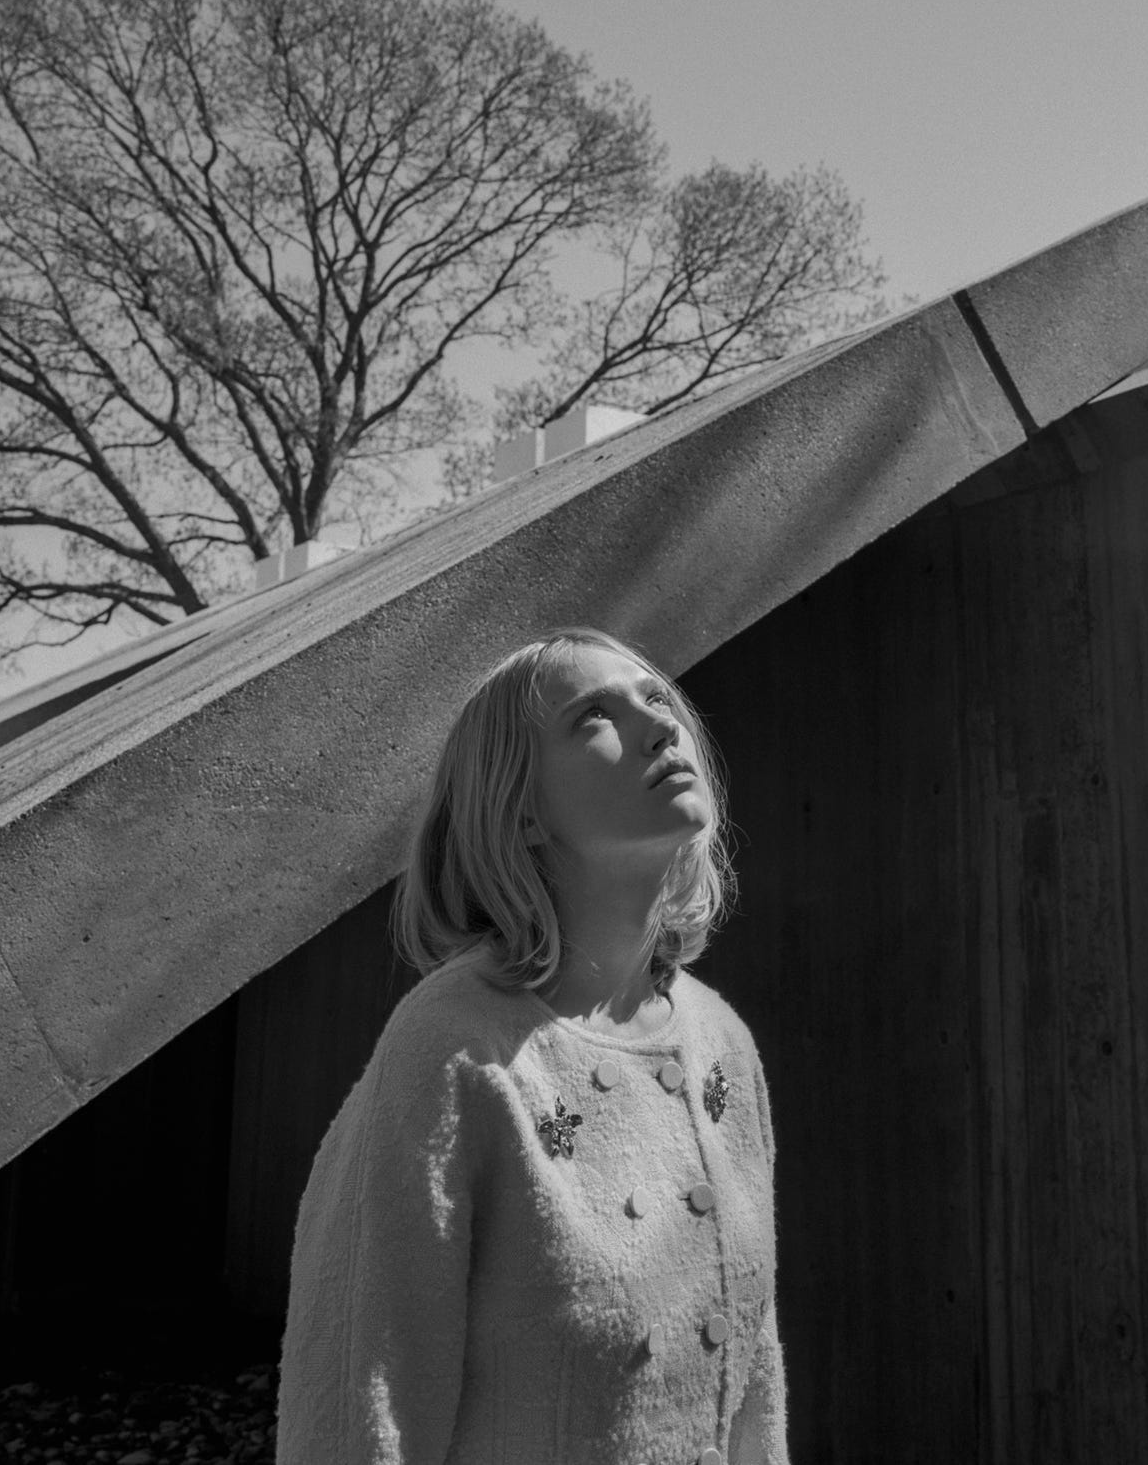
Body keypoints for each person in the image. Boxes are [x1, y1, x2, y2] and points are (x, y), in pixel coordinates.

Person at [276, 628, 788, 1465]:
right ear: (518, 805)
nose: (660, 726)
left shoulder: (723, 1045)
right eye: (595, 715)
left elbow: (753, 1388)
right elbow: (359, 1414)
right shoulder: (450, 1051)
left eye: (658, 698)